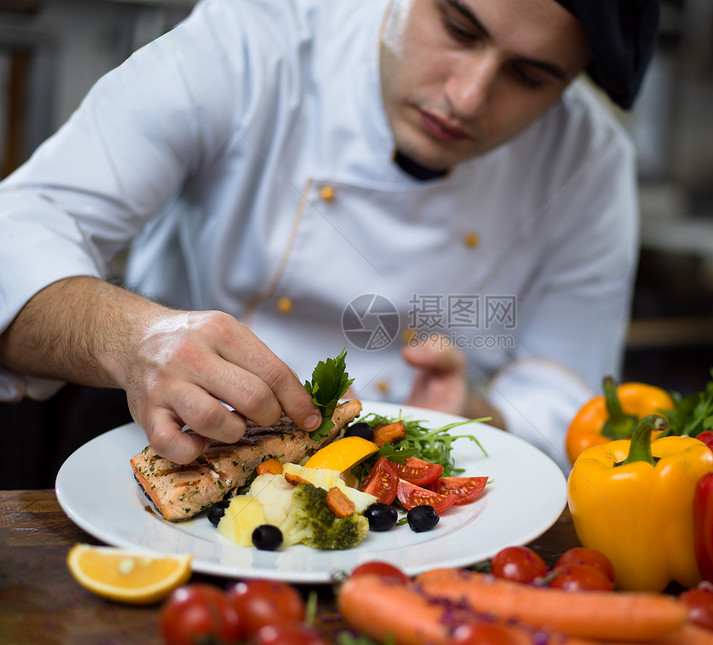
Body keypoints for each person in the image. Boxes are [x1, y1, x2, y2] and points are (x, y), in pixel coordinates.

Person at [0, 0, 659, 471]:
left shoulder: (589, 160)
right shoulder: (254, 40)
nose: (465, 96)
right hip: (172, 453)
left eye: (529, 75)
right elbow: (21, 227)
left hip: (408, 494)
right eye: (458, 26)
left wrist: (475, 412)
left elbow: (570, 396)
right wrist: (134, 339)